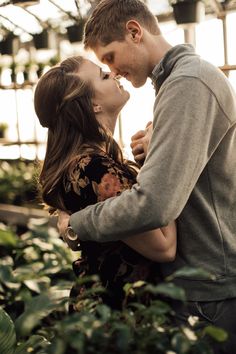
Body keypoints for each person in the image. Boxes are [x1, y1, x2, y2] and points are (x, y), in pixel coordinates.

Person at [57, 0, 236, 352]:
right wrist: (157, 147)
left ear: (134, 32)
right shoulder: (176, 82)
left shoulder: (188, 82)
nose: (113, 70)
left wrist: (76, 224)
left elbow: (154, 204)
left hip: (208, 290)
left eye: (109, 57)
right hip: (201, 283)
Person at [34, 55, 176, 309]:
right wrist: (160, 155)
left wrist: (145, 165)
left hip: (105, 310)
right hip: (120, 316)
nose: (114, 73)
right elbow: (164, 247)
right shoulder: (92, 168)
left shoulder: (89, 163)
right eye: (102, 75)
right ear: (93, 105)